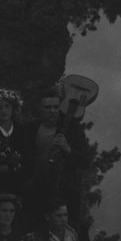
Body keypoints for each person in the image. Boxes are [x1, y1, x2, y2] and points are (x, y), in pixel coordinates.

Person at [26, 88, 91, 224]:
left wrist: (67, 148)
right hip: (37, 190)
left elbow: (85, 161)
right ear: (40, 108)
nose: (52, 111)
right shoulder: (31, 128)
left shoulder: (72, 129)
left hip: (65, 193)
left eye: (56, 107)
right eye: (47, 107)